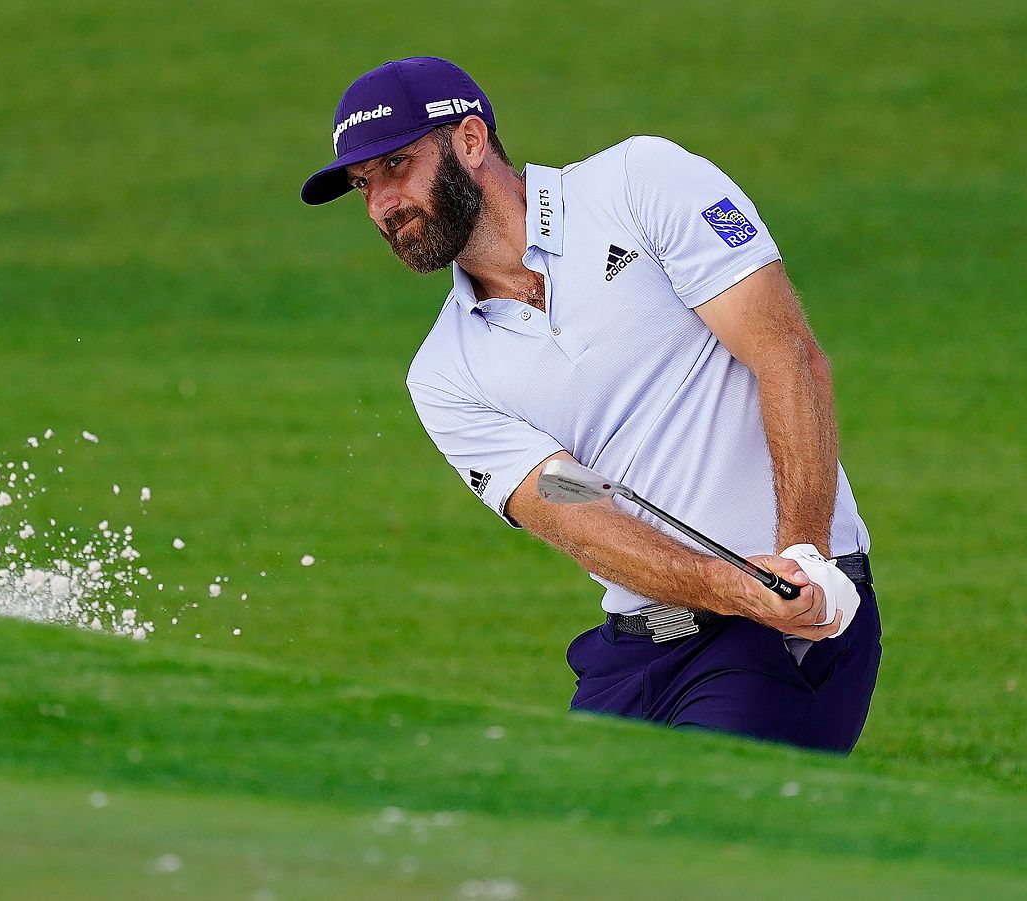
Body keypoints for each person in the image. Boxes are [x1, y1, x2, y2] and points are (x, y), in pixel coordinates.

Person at [299, 57, 880, 753]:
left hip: (790, 620)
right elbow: (577, 518)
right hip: (635, 653)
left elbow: (786, 353)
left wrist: (804, 556)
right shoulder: (445, 374)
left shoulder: (640, 184)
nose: (381, 205)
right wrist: (731, 585)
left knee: (701, 844)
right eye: (364, 185)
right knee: (574, 853)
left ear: (471, 141)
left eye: (396, 165)